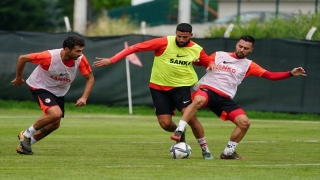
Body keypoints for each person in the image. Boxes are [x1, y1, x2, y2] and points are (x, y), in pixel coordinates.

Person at [171, 35, 307, 160]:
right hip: (207, 89)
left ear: (251, 50)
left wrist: (291, 73)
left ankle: (228, 153)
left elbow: (270, 76)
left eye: (246, 48)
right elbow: (202, 62)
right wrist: (196, 59)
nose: (242, 49)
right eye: (240, 46)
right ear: (236, 44)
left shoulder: (249, 65)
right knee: (199, 100)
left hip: (224, 98)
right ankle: (180, 129)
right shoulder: (219, 55)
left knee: (244, 123)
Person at [93, 23, 217, 160]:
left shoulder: (196, 49)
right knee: (165, 124)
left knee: (191, 119)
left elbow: (208, 62)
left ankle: (205, 150)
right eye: (179, 36)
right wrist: (111, 60)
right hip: (159, 88)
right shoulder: (163, 42)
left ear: (191, 36)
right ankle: (181, 133)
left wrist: (210, 64)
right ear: (175, 33)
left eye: (185, 37)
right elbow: (134, 48)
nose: (181, 39)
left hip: (183, 87)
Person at [11, 36, 95, 155]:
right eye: (77, 51)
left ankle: (24, 146)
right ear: (67, 49)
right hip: (40, 86)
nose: (80, 54)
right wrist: (19, 78)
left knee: (54, 124)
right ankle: (26, 134)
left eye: (81, 50)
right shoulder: (49, 56)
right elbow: (22, 58)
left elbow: (90, 78)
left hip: (59, 91)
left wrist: (84, 97)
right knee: (56, 114)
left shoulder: (80, 59)